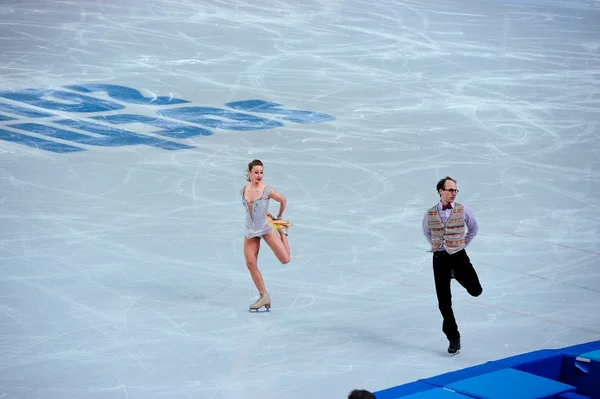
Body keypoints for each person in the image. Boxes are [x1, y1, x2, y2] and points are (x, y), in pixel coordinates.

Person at [422, 176, 483, 355]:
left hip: (459, 257)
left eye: (455, 190)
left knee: (476, 290)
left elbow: (474, 229)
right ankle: (453, 337)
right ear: (441, 191)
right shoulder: (430, 213)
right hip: (440, 259)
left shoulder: (463, 210)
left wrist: (460, 244)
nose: (453, 193)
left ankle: (456, 274)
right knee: (444, 302)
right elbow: (427, 232)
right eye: (450, 190)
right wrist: (439, 246)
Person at [241, 159, 291, 311]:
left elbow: (283, 200)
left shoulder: (266, 190)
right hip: (250, 231)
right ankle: (264, 296)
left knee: (285, 259)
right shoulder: (244, 190)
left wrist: (279, 217)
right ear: (250, 173)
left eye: (261, 172)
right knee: (250, 264)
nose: (259, 175)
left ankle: (282, 232)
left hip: (265, 228)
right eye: (256, 172)